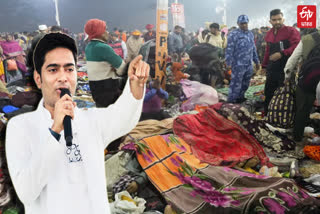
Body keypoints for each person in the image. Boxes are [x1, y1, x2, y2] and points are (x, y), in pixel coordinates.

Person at [5, 32, 149, 214]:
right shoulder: (21, 127)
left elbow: (122, 117)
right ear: (38, 79)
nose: (63, 77)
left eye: (69, 69)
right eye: (53, 70)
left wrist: (134, 86)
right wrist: (55, 130)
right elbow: (26, 192)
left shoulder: (91, 120)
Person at [284, 29, 320, 142]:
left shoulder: (307, 38)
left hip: (307, 81)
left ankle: (297, 138)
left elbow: (294, 58)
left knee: (302, 110)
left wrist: (287, 76)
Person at [262, 9, 300, 113]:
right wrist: (264, 66)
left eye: (279, 19)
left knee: (285, 93)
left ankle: (283, 117)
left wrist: (282, 53)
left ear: (283, 19)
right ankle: (268, 114)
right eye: (274, 20)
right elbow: (267, 51)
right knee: (269, 91)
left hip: (286, 67)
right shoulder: (269, 34)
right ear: (270, 21)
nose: (277, 22)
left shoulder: (291, 31)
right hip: (272, 68)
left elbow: (296, 47)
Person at [84, 19, 128, 107]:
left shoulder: (89, 47)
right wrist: (115, 69)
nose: (107, 32)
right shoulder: (103, 47)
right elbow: (122, 69)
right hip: (108, 90)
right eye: (105, 30)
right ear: (99, 32)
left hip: (96, 89)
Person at [225, 15, 260, 103]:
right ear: (238, 23)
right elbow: (229, 49)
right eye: (242, 23)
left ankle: (241, 97)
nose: (244, 25)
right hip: (238, 64)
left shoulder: (250, 34)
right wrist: (228, 63)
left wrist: (257, 61)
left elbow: (253, 49)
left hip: (248, 64)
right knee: (235, 83)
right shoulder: (233, 34)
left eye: (245, 23)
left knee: (246, 83)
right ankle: (231, 101)